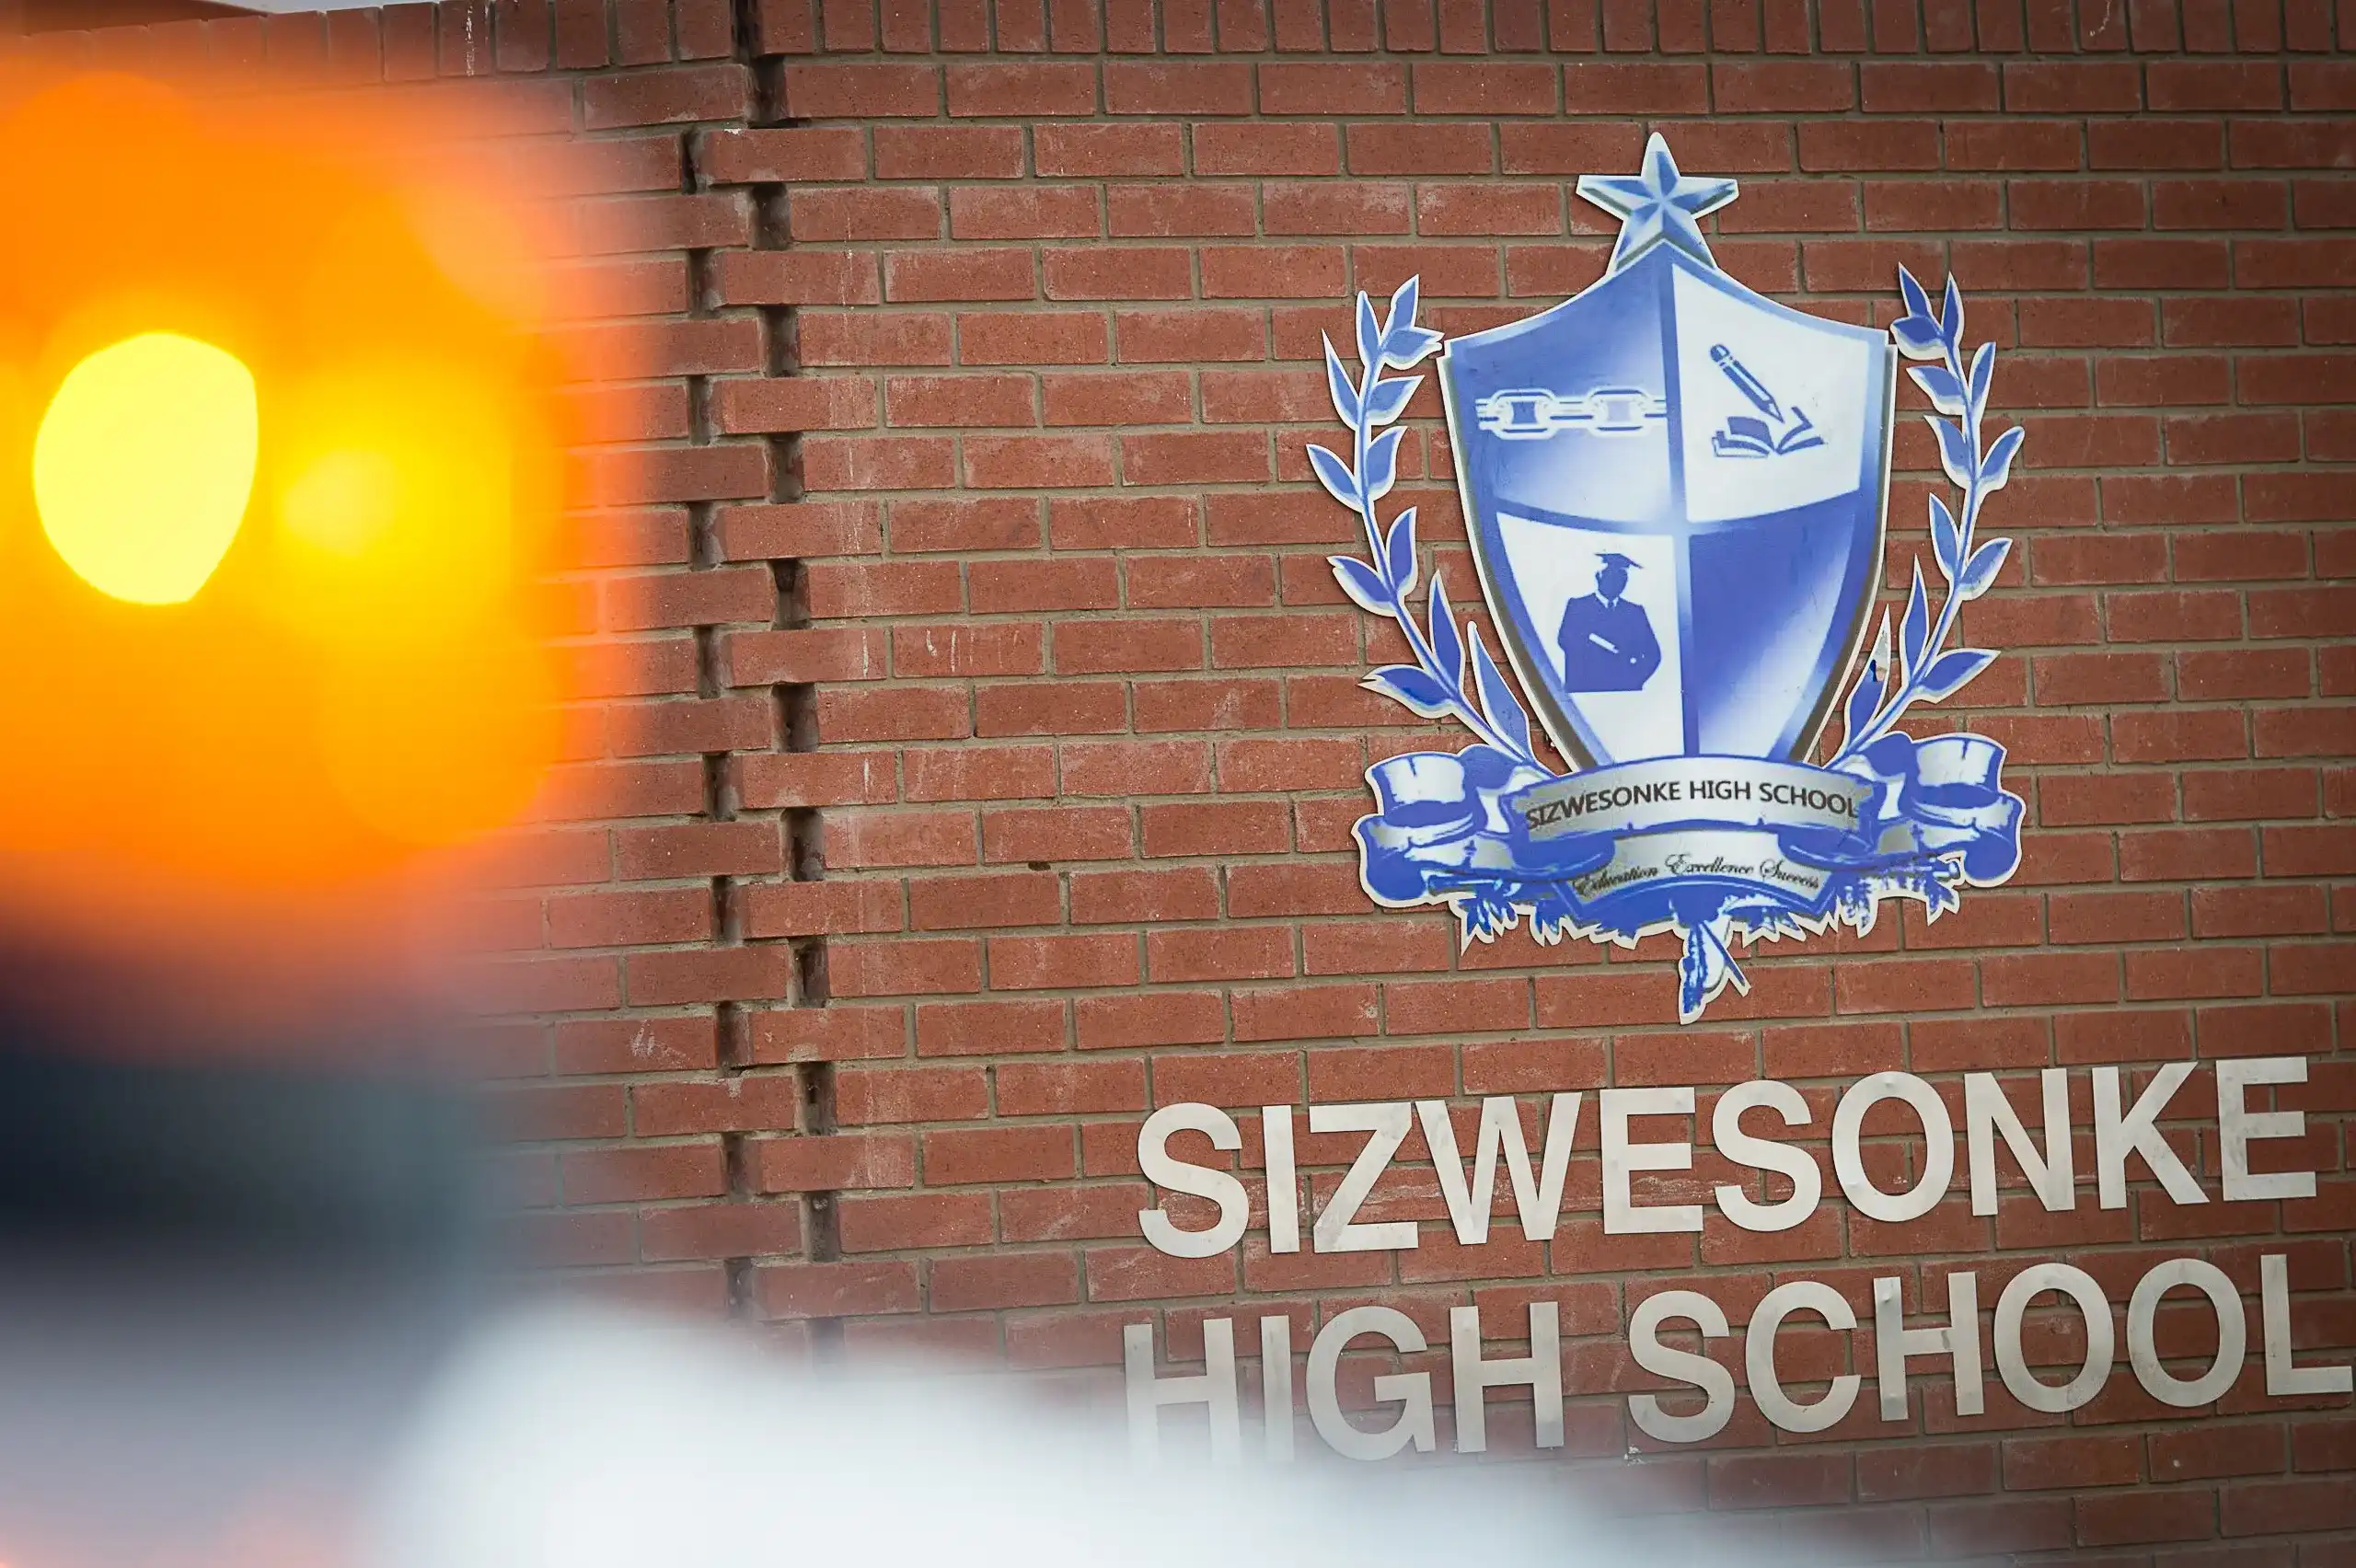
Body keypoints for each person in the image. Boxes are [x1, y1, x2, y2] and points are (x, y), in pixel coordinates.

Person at [1556, 553, 1661, 691]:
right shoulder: (1578, 607)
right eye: (1612, 576)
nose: (1618, 582)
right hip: (1585, 690)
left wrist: (1634, 679)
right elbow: (1565, 640)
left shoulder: (1635, 612)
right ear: (1599, 577)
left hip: (1624, 691)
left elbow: (1653, 654)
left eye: (1623, 577)